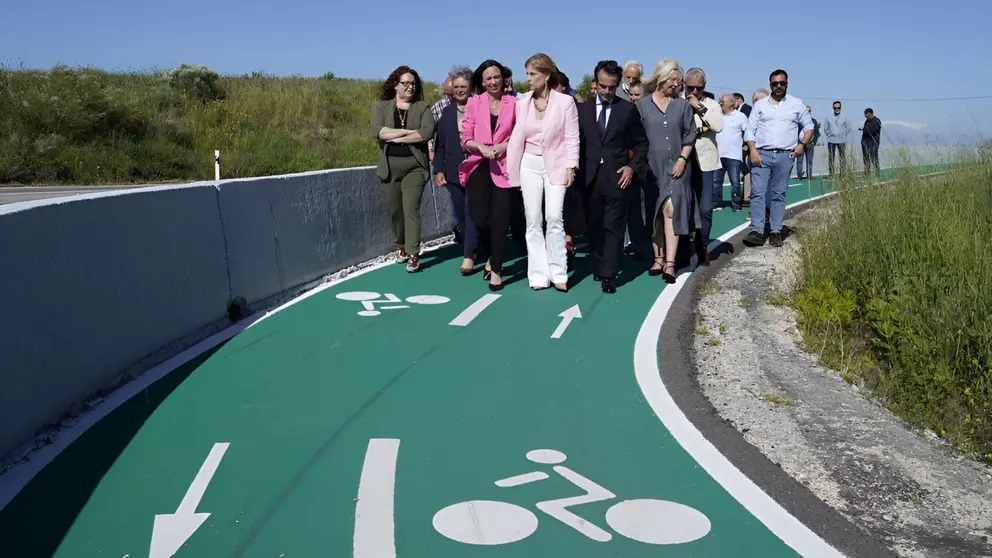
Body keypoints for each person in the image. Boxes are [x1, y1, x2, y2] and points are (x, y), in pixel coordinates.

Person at [507, 53, 579, 292]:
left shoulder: (565, 103)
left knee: (554, 217)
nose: (528, 79)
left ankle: (559, 271)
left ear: (546, 76)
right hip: (529, 164)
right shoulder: (522, 103)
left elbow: (571, 137)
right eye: (527, 74)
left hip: (557, 165)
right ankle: (538, 274)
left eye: (532, 74)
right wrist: (514, 173)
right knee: (533, 220)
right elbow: (517, 139)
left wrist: (571, 167)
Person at [576, 60, 648, 294]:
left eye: (612, 87)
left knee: (614, 226)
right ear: (595, 84)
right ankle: (600, 262)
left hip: (617, 177)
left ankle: (609, 273)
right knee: (595, 225)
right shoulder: (582, 111)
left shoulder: (626, 110)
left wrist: (631, 167)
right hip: (588, 178)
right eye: (603, 86)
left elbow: (641, 144)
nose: (607, 91)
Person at [636, 58, 698, 283]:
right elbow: (637, 138)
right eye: (673, 79)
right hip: (651, 169)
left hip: (677, 168)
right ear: (662, 78)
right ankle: (658, 257)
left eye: (679, 80)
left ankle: (670, 263)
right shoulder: (642, 106)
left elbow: (690, 135)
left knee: (671, 210)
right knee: (654, 213)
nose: (677, 84)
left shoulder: (682, 106)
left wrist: (683, 159)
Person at [459, 60, 518, 291]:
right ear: (481, 82)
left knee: (501, 221)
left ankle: (497, 268)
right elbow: (466, 137)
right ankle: (490, 254)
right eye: (488, 78)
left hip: (504, 167)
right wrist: (480, 148)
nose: (493, 82)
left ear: (504, 79)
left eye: (497, 77)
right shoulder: (474, 103)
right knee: (480, 217)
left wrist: (504, 147)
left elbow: (520, 134)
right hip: (479, 166)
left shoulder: (514, 103)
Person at [370, 65, 435, 272]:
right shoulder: (381, 107)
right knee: (395, 211)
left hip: (414, 166)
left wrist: (395, 134)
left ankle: (414, 253)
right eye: (405, 83)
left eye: (413, 84)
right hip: (389, 167)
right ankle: (401, 246)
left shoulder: (423, 107)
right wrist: (407, 133)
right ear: (395, 86)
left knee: (411, 210)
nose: (410, 87)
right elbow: (378, 132)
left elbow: (425, 134)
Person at [743, 69, 814, 248]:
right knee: (758, 192)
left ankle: (775, 231)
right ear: (770, 85)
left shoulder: (796, 104)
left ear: (787, 84)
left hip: (785, 155)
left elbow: (809, 127)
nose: (779, 87)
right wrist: (753, 151)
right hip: (762, 154)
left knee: (778, 194)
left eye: (782, 83)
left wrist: (802, 145)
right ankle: (757, 231)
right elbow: (750, 130)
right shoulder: (760, 106)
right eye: (775, 84)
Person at [433, 66, 478, 275]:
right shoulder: (447, 112)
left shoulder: (479, 107)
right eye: (457, 87)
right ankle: (473, 244)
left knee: (473, 211)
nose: (460, 90)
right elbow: (441, 143)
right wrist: (438, 170)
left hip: (476, 168)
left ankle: (469, 254)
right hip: (452, 170)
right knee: (460, 214)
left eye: (464, 87)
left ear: (471, 88)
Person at [684, 68, 723, 262]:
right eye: (690, 87)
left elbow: (717, 125)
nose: (694, 91)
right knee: (682, 207)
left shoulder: (711, 105)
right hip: (683, 162)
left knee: (705, 208)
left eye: (698, 88)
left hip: (706, 163)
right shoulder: (678, 104)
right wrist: (701, 128)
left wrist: (698, 106)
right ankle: (683, 247)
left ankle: (703, 245)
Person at [715, 93, 748, 211]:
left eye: (722, 101)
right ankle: (717, 203)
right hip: (718, 154)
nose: (720, 103)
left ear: (731, 103)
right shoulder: (718, 115)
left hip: (734, 155)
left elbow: (747, 132)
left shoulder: (740, 116)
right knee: (716, 182)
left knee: (735, 182)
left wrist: (746, 147)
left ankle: (736, 204)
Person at [823, 100, 851, 177]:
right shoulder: (828, 117)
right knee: (831, 158)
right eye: (835, 108)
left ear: (840, 108)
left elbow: (848, 127)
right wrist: (830, 134)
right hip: (831, 141)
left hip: (842, 141)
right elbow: (825, 128)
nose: (837, 109)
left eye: (838, 108)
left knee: (842, 158)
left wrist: (843, 134)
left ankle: (843, 174)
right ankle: (831, 174)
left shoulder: (845, 117)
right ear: (833, 108)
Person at [795, 106, 820, 180]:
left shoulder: (814, 121)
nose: (807, 112)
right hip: (800, 144)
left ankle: (809, 175)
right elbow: (795, 132)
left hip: (810, 144)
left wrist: (814, 142)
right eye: (806, 111)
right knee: (799, 161)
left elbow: (816, 133)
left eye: (809, 111)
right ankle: (799, 176)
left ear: (810, 112)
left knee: (809, 161)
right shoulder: (798, 121)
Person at [859, 108, 882, 175]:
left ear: (871, 113)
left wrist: (865, 129)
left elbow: (873, 130)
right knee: (866, 159)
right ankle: (867, 174)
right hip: (865, 143)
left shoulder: (876, 121)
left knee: (874, 159)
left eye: (867, 114)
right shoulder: (867, 121)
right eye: (865, 114)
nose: (866, 116)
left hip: (873, 143)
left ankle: (877, 174)